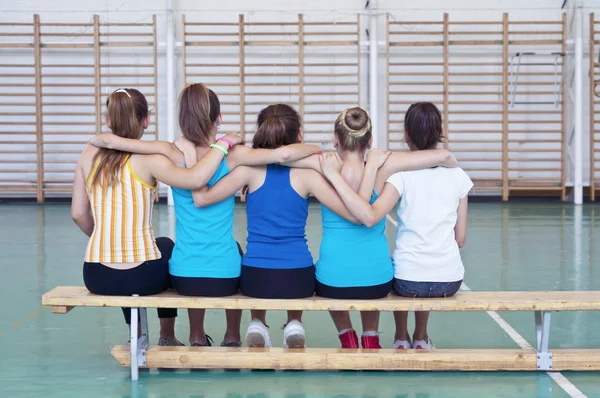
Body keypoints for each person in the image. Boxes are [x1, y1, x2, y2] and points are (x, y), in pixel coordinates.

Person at [88, 84, 321, 347]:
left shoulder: (171, 152)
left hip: (185, 277)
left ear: (182, 120)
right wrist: (318, 151)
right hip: (225, 275)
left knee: (172, 249)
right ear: (219, 117)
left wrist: (105, 140)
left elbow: (130, 146)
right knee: (236, 249)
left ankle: (195, 335)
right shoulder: (234, 155)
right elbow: (281, 156)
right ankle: (232, 335)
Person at [72, 88, 244, 345]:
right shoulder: (151, 160)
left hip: (95, 274)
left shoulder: (88, 155)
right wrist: (223, 143)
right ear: (146, 120)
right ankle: (167, 334)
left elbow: (77, 214)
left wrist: (104, 237)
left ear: (108, 121)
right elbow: (196, 179)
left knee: (151, 256)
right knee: (167, 248)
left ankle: (138, 332)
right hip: (140, 275)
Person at [187, 104, 359, 349]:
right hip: (297, 278)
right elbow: (350, 213)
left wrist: (191, 164)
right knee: (306, 260)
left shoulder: (247, 170)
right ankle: (294, 322)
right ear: (298, 136)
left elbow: (203, 198)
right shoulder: (310, 176)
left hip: (256, 278)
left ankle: (257, 320)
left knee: (244, 255)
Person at [284, 106, 457, 349]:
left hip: (332, 281)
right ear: (370, 140)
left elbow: (282, 156)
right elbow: (442, 156)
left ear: (336, 139)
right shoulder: (384, 165)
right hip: (377, 282)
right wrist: (375, 163)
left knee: (326, 271)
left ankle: (347, 334)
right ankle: (370, 335)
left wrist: (316, 150)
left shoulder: (322, 164)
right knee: (370, 269)